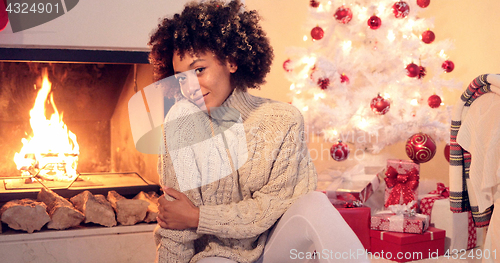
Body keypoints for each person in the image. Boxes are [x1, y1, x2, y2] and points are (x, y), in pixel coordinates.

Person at [148, 1, 367, 262]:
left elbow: (271, 207)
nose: (190, 86)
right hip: (215, 254)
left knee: (315, 204)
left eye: (199, 70)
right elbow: (175, 224)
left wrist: (197, 216)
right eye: (181, 77)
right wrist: (184, 220)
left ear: (231, 61)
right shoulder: (180, 126)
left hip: (276, 249)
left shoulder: (283, 120)